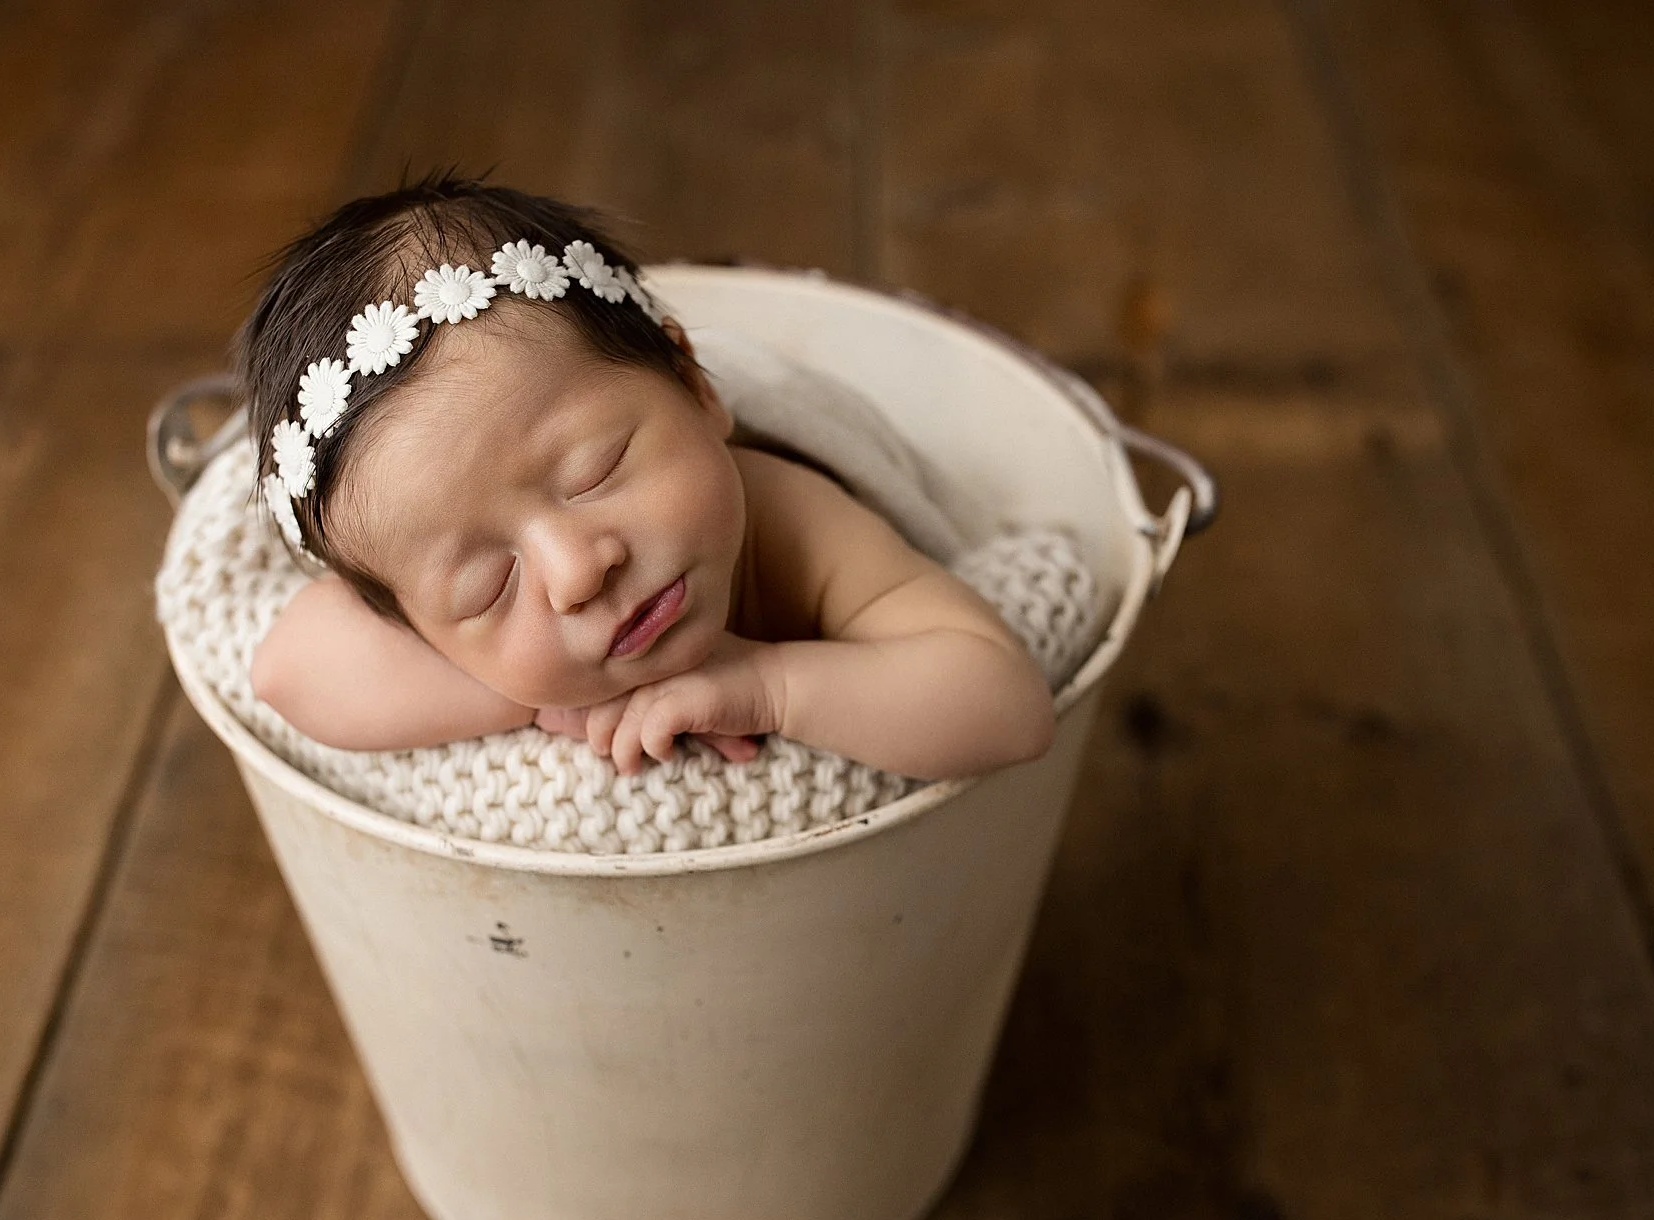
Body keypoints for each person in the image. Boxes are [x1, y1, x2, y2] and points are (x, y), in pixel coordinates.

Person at [244, 172, 1054, 781]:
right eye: (490, 585)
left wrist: (770, 684)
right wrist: (534, 690)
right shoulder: (493, 633)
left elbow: (1003, 703)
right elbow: (286, 669)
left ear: (697, 388)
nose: (577, 570)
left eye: (595, 470)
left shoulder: (793, 520)